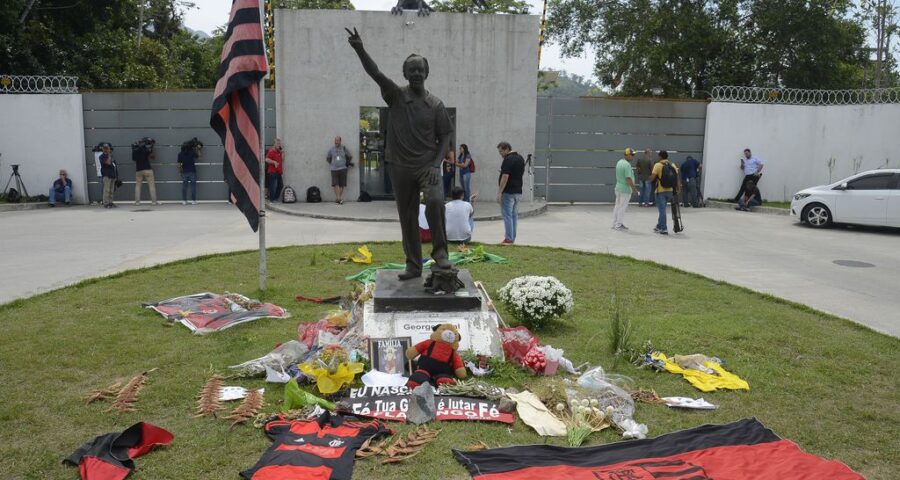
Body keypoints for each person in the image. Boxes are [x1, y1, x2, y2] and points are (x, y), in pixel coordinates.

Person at [348, 27, 454, 280]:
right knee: (407, 217)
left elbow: (446, 136)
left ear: (427, 73)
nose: (416, 73)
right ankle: (413, 265)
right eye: (412, 69)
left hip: (427, 165)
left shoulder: (436, 104)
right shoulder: (395, 96)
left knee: (436, 202)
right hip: (400, 166)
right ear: (405, 74)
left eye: (420, 69)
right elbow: (375, 73)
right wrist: (360, 49)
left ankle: (440, 254)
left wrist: (436, 164)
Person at [496, 141, 525, 245]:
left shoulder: (508, 159)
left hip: (508, 192)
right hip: (518, 191)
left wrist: (499, 192)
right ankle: (512, 238)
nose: (500, 154)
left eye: (501, 151)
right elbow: (517, 173)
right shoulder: (520, 158)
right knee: (514, 216)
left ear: (506, 149)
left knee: (507, 215)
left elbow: (505, 176)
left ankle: (508, 239)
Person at [648, 150, 680, 235]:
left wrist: (648, 179)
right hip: (670, 191)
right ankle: (659, 226)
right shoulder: (672, 165)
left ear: (660, 157)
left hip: (660, 191)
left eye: (658, 156)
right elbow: (676, 178)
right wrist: (678, 188)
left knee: (662, 210)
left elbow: (653, 177)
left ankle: (664, 228)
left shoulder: (658, 165)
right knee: (662, 210)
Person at [612, 148, 639, 230]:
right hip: (625, 190)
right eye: (632, 155)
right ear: (627, 155)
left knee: (617, 206)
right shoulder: (627, 165)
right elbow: (628, 178)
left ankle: (615, 223)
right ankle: (618, 225)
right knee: (622, 207)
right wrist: (634, 189)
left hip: (618, 188)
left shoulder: (619, 162)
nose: (633, 157)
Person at [326, 136, 352, 204]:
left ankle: (338, 198)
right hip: (334, 169)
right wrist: (332, 163)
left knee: (342, 184)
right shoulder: (331, 149)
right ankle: (339, 198)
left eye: (337, 140)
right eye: (335, 140)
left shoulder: (344, 148)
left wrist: (346, 163)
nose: (336, 142)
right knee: (335, 184)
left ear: (340, 141)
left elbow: (350, 156)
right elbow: (328, 158)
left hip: (343, 168)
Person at [132, 138, 158, 205]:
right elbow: (152, 157)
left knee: (138, 186)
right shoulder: (145, 149)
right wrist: (151, 147)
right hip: (147, 169)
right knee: (151, 186)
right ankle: (154, 202)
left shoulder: (135, 149)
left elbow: (134, 159)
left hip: (138, 170)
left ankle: (137, 202)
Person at [266, 138, 285, 202]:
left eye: (279, 144)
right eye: (277, 143)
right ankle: (272, 199)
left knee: (280, 185)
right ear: (274, 144)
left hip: (278, 172)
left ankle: (276, 198)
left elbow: (282, 160)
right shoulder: (271, 151)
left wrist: (282, 153)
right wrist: (274, 162)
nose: (279, 145)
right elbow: (266, 159)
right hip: (272, 172)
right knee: (273, 186)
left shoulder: (279, 152)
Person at [99, 144, 118, 209]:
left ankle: (110, 202)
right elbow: (108, 163)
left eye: (108, 148)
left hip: (112, 175)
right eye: (105, 148)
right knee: (106, 190)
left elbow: (114, 166)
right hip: (106, 175)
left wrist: (116, 175)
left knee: (111, 190)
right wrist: (109, 155)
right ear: (103, 149)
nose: (107, 149)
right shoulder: (102, 156)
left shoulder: (111, 156)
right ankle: (106, 203)